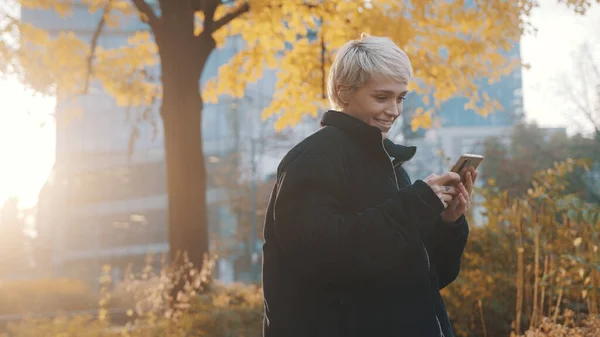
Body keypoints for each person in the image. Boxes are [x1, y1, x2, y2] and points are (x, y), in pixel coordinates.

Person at [261, 33, 478, 337]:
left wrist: (447, 222)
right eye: (382, 97)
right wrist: (416, 205)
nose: (394, 110)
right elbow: (322, 256)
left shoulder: (388, 165)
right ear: (344, 92)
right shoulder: (313, 159)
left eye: (400, 98)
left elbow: (426, 278)